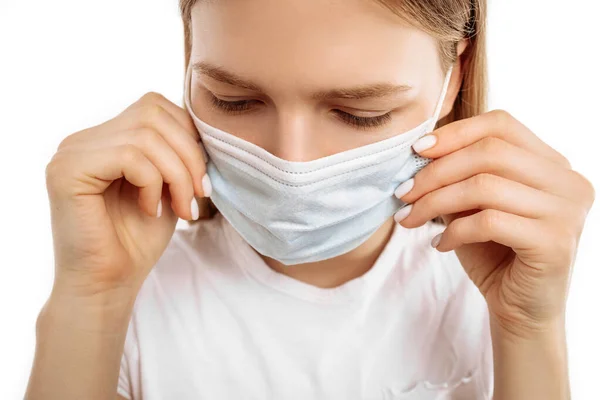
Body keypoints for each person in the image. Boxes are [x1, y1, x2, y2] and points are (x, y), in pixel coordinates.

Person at [25, 0, 595, 399]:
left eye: (358, 114)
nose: (292, 163)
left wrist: (528, 330)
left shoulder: (492, 288)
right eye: (234, 100)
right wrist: (91, 301)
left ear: (454, 77)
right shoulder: (133, 294)